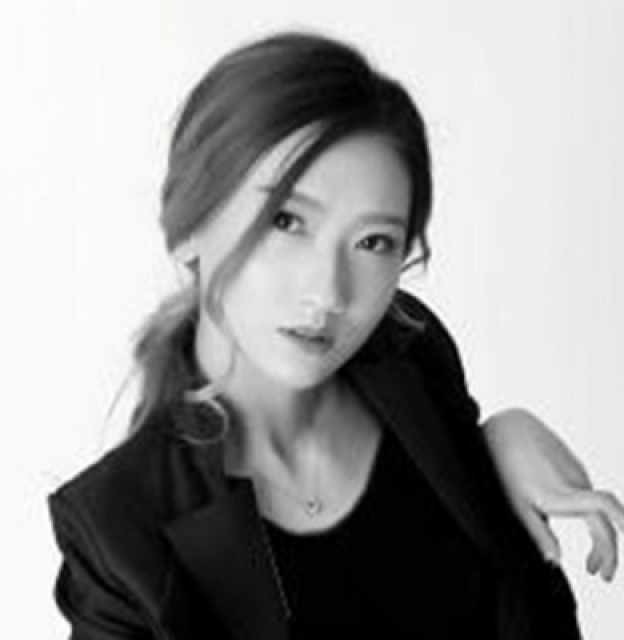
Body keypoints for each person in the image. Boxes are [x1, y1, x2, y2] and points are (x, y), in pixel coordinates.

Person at [49, 31, 624, 639]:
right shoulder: (120, 535)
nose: (328, 292)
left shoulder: (413, 358)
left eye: (373, 242)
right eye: (286, 221)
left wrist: (499, 439)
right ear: (189, 225)